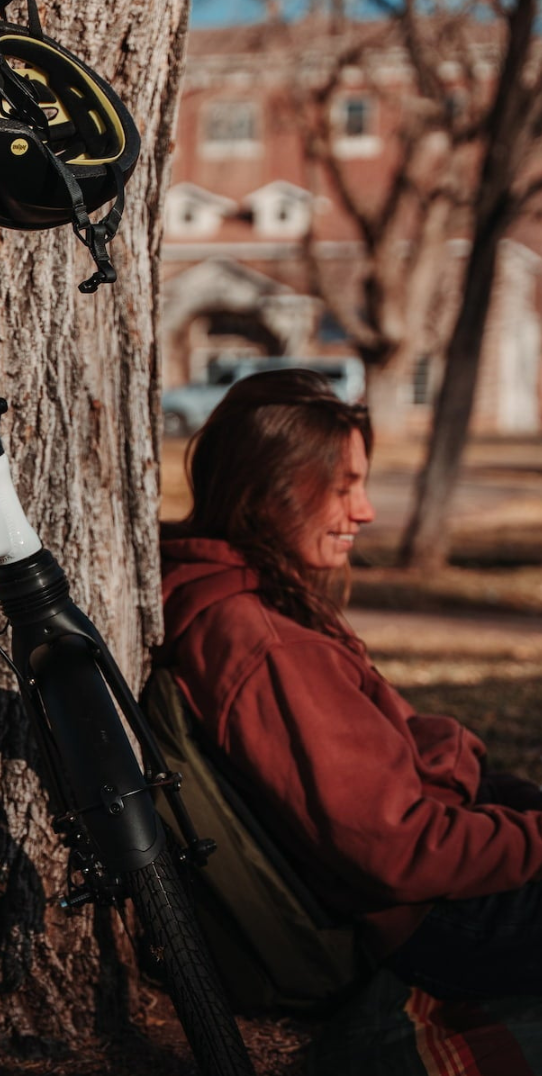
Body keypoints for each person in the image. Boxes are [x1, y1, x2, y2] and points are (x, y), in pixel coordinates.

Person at [158, 367, 542, 1000]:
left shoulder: (251, 601)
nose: (363, 513)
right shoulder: (265, 643)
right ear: (273, 487)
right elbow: (396, 852)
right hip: (430, 923)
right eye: (344, 488)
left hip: (434, 878)